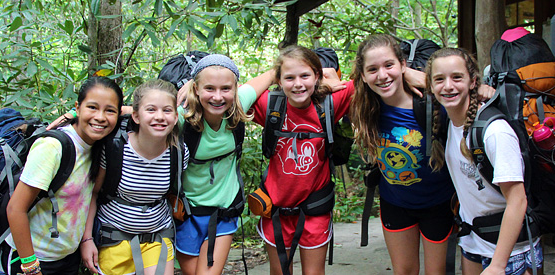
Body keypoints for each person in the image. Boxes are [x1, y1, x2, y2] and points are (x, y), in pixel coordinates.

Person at [426, 47, 542, 275]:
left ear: (473, 82)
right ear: (430, 86)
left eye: (456, 77)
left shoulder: (494, 132)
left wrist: (498, 265)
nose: (448, 86)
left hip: (511, 253)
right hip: (474, 243)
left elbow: (518, 201)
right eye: (439, 79)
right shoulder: (449, 123)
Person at [350, 34, 455, 275]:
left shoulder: (431, 102)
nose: (383, 75)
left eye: (389, 65)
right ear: (363, 76)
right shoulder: (362, 104)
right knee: (404, 271)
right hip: (395, 202)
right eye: (372, 69)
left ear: (403, 65)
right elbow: (314, 82)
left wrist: (426, 79)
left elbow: (473, 90)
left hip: (437, 202)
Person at [0, 77, 123, 275]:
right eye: (92, 107)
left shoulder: (96, 146)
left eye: (110, 111)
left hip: (67, 259)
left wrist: (86, 240)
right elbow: (15, 209)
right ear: (78, 107)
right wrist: (30, 266)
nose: (100, 117)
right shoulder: (53, 147)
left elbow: (142, 111)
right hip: (32, 258)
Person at [250, 45, 354, 275]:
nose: (298, 84)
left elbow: (368, 78)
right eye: (289, 77)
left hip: (314, 209)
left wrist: (331, 76)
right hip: (276, 209)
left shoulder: (329, 103)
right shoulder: (271, 105)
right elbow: (233, 96)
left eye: (305, 76)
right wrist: (271, 73)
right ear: (279, 79)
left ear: (317, 76)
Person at [175, 54, 273, 275]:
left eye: (225, 89)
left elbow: (276, 72)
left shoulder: (237, 104)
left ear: (235, 89)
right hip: (187, 214)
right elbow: (141, 112)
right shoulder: (182, 116)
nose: (218, 97)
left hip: (223, 215)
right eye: (209, 88)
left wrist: (327, 78)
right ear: (196, 89)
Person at [80, 79, 189, 275]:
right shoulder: (115, 148)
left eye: (166, 110)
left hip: (157, 235)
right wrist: (87, 239)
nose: (159, 117)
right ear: (136, 116)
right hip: (113, 235)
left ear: (175, 117)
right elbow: (93, 194)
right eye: (151, 110)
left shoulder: (179, 152)